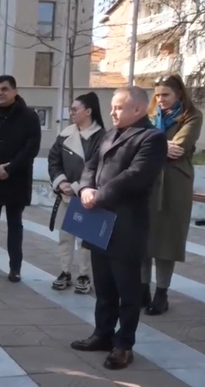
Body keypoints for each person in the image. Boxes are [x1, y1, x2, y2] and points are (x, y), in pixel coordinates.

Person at [70, 86, 167, 370]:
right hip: (99, 220)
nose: (111, 112)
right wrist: (86, 188)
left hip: (126, 223)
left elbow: (134, 176)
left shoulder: (152, 138)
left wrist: (99, 195)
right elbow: (91, 164)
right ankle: (102, 334)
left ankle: (124, 344)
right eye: (111, 106)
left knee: (128, 289)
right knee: (104, 286)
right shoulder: (109, 134)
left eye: (118, 107)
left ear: (138, 110)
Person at [142, 74, 203, 315]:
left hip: (175, 183)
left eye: (165, 94)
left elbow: (179, 147)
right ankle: (142, 288)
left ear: (179, 93)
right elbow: (139, 142)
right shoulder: (149, 115)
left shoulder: (192, 115)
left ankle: (161, 293)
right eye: (157, 94)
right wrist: (157, 144)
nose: (160, 99)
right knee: (143, 238)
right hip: (147, 181)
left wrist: (150, 143)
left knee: (167, 240)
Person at [0, 75, 41, 282]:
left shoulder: (30, 117)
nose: (0, 93)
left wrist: (10, 168)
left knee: (15, 225)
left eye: (4, 89)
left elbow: (32, 147)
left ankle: (15, 268)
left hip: (17, 179)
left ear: (15, 91)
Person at [48, 92, 106, 294]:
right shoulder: (65, 134)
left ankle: (84, 275)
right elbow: (53, 161)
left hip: (88, 196)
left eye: (75, 109)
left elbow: (97, 167)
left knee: (86, 240)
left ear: (88, 111)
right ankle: (65, 272)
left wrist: (75, 187)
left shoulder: (102, 137)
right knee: (65, 236)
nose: (71, 113)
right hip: (65, 196)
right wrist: (60, 182)